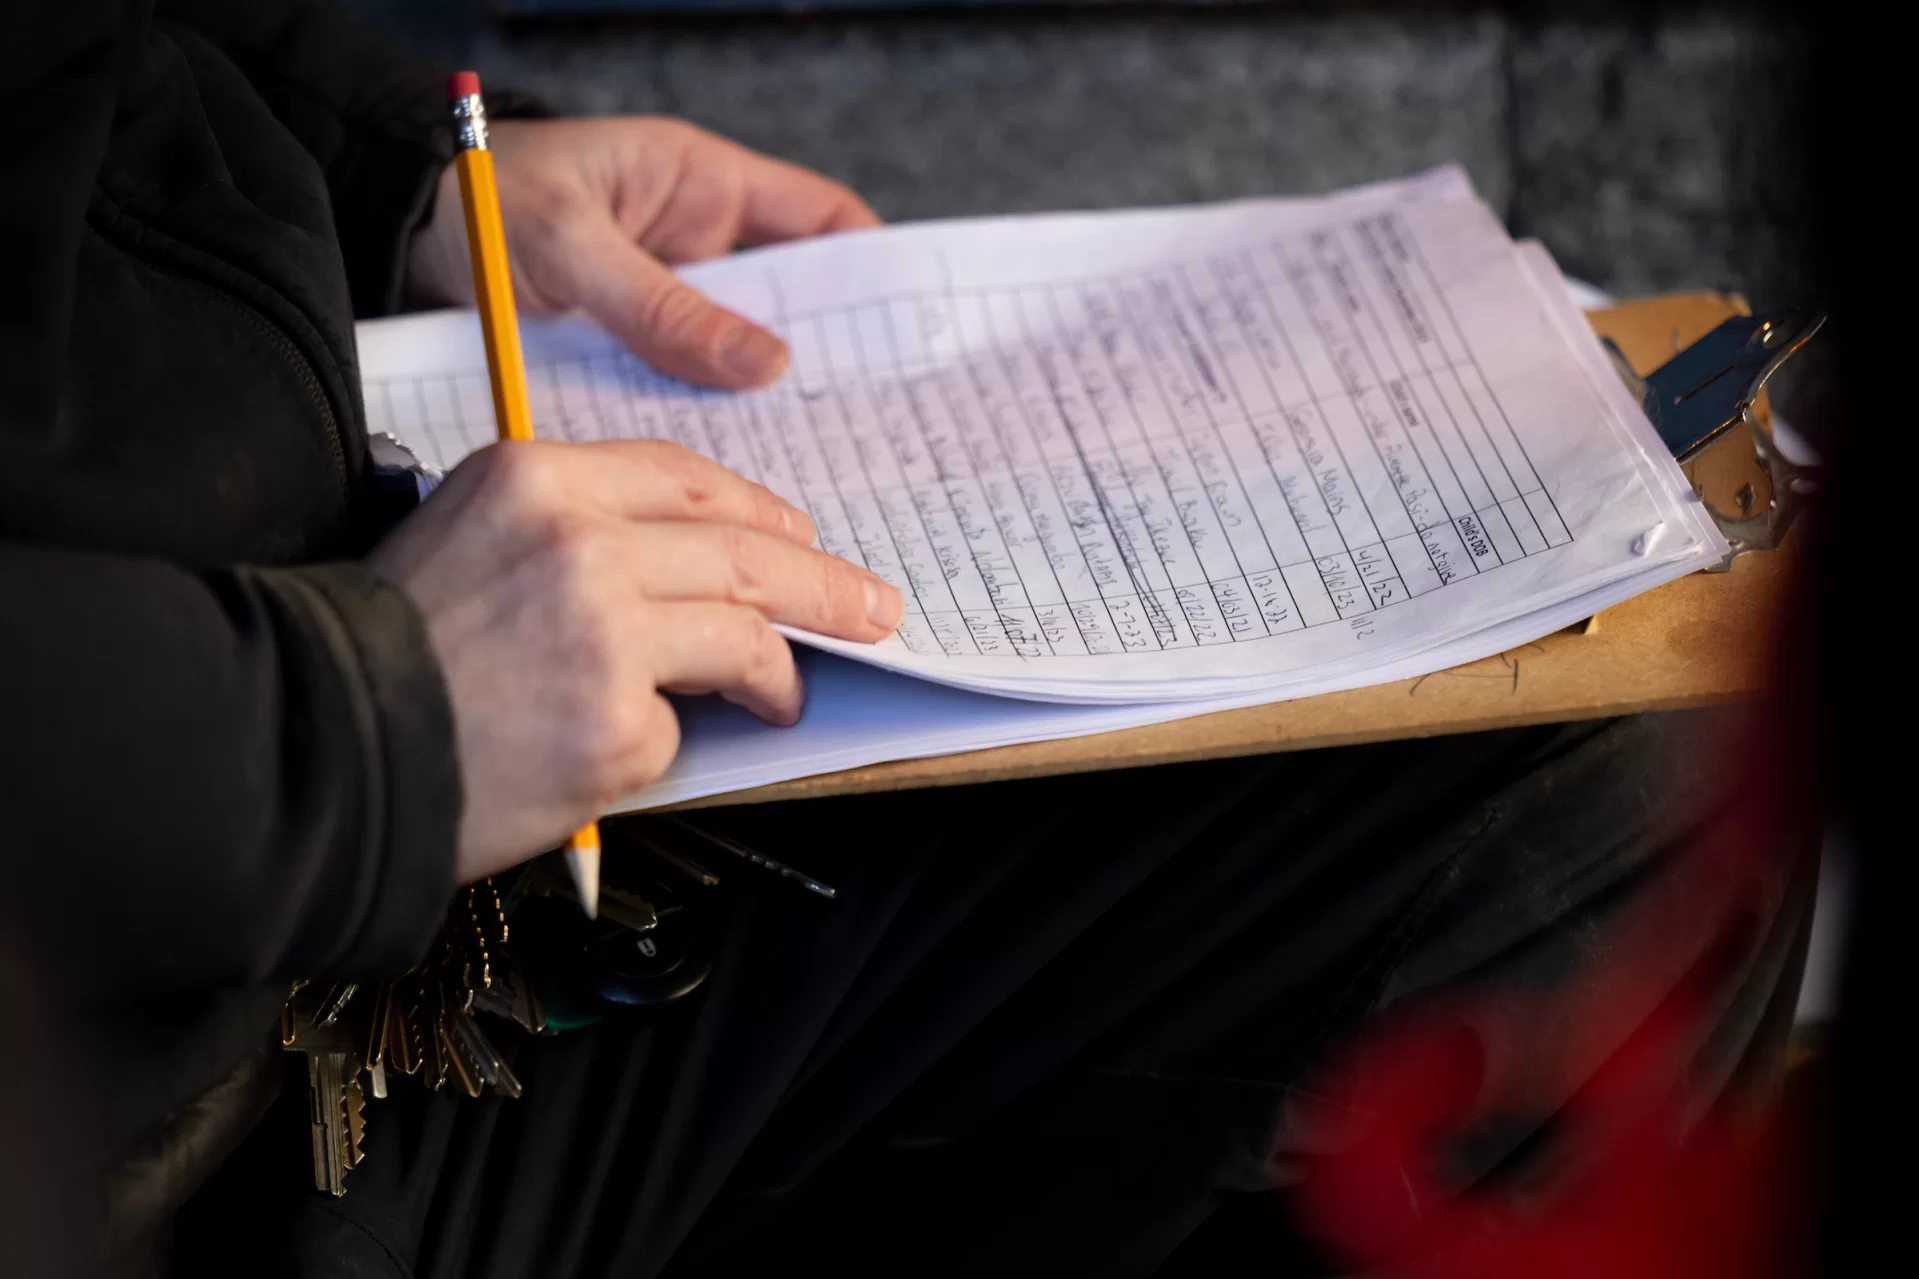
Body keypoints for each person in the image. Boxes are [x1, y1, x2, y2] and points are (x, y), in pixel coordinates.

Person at [1, 3, 1814, 1276]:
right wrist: (355, 729)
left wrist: (382, 169)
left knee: (1612, 771)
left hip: (338, 662)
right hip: (156, 1097)